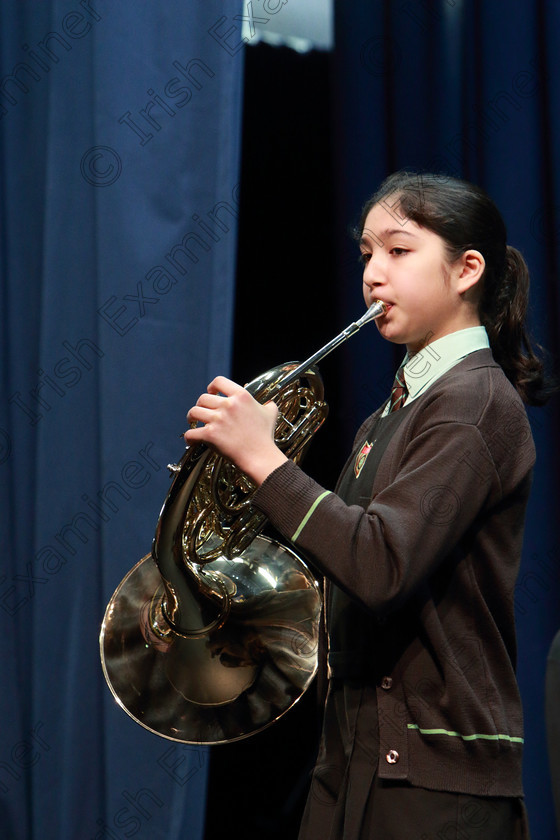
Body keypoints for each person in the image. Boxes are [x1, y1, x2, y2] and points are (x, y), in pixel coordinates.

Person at [185, 171, 555, 839]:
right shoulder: (395, 412)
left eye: (398, 251)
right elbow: (345, 558)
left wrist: (265, 461)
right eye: (365, 254)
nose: (373, 275)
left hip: (435, 779)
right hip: (358, 761)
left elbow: (382, 563)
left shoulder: (473, 404)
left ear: (467, 269)